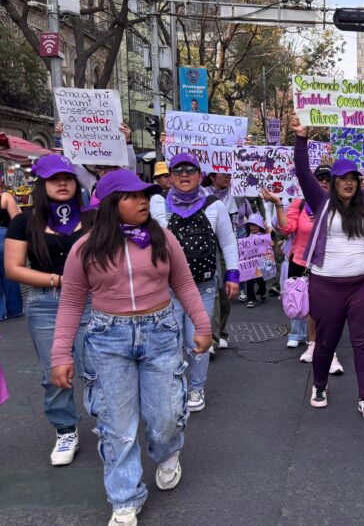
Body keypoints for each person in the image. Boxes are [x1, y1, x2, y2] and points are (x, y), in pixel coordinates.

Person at [49, 169, 211, 525]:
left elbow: (184, 284)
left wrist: (202, 325)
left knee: (166, 417)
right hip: (108, 340)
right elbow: (72, 302)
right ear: (110, 204)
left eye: (144, 195)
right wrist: (60, 354)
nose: (143, 201)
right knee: (116, 425)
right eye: (132, 196)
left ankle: (167, 453)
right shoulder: (84, 248)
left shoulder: (163, 239)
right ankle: (124, 497)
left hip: (161, 333)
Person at [292, 115, 364, 420]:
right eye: (342, 177)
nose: (348, 182)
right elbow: (303, 172)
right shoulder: (320, 200)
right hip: (326, 285)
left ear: (358, 181)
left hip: (363, 285)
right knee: (326, 341)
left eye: (353, 177)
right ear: (333, 181)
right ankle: (319, 385)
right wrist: (301, 138)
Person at [4, 154, 88, 466]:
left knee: (98, 367)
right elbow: (13, 269)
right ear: (42, 184)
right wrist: (59, 279)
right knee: (54, 372)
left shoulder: (93, 217)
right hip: (46, 305)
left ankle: (111, 424)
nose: (62, 183)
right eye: (54, 179)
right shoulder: (24, 221)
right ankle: (66, 429)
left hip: (92, 302)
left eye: (67, 177)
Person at [150, 153, 240, 413]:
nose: (184, 175)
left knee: (197, 342)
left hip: (203, 288)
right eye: (178, 171)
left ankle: (196, 388)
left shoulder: (215, 205)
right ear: (171, 176)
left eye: (191, 170)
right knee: (168, 341)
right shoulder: (158, 203)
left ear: (200, 175)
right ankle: (173, 385)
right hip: (167, 289)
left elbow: (228, 241)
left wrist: (233, 275)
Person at [273, 166, 343, 374]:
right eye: (318, 178)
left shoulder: (339, 206)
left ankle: (330, 352)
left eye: (327, 178)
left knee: (329, 309)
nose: (323, 181)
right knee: (311, 308)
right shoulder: (299, 203)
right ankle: (313, 345)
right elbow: (286, 229)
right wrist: (277, 205)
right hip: (302, 264)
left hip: (329, 264)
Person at [204, 171, 238, 352]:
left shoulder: (234, 194)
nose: (228, 177)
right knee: (213, 291)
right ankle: (212, 337)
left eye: (229, 174)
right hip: (207, 248)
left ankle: (222, 331)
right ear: (211, 176)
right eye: (223, 174)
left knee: (226, 293)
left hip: (225, 246)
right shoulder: (201, 194)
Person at [0, 184, 22, 320]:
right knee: (10, 275)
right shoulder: (5, 196)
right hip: (4, 238)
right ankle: (14, 310)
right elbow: (17, 219)